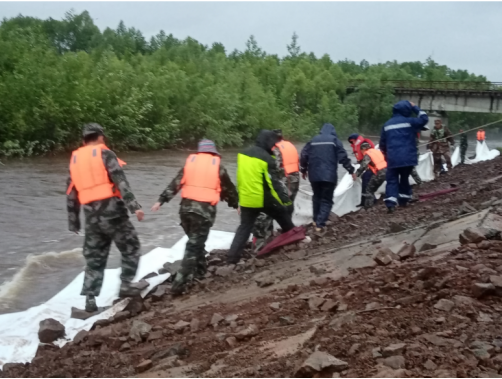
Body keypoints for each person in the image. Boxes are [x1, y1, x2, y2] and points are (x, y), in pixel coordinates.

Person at [67, 123, 145, 313]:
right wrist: (134, 206)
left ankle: (90, 301)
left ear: (83, 140)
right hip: (112, 212)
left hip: (91, 216)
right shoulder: (105, 153)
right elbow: (120, 181)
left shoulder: (75, 158)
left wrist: (73, 221)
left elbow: (71, 192)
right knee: (131, 246)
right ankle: (126, 284)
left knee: (94, 258)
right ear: (101, 137)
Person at [151, 140, 239, 295]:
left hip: (185, 211)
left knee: (195, 241)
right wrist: (237, 204)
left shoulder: (189, 165)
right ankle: (178, 285)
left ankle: (200, 270)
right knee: (193, 246)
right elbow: (228, 189)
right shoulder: (218, 167)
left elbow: (175, 184)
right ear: (213, 153)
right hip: (203, 213)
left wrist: (161, 201)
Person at [227, 130, 295, 264]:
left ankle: (232, 259)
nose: (273, 147)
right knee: (282, 214)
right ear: (268, 141)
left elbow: (240, 178)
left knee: (244, 227)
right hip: (262, 197)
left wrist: (240, 199)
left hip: (246, 198)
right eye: (273, 144)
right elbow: (273, 183)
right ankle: (296, 238)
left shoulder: (242, 154)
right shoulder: (267, 158)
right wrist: (285, 201)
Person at [301, 124, 356, 231]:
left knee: (316, 197)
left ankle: (315, 220)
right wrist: (351, 170)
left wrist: (303, 169)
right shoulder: (334, 141)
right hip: (329, 176)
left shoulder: (313, 140)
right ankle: (320, 225)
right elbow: (343, 157)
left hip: (314, 176)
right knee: (326, 200)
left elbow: (304, 154)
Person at [252, 129, 300, 252]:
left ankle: (275, 238)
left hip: (285, 179)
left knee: (274, 208)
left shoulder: (276, 148)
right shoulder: (289, 145)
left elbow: (274, 167)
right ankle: (287, 233)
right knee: (288, 207)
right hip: (294, 178)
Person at [380, 101, 429, 214]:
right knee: (404, 178)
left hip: (393, 158)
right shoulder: (410, 122)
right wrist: (415, 107)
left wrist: (387, 155)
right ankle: (403, 200)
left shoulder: (387, 124)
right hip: (408, 157)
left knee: (392, 180)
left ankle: (391, 204)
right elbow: (424, 118)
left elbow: (382, 143)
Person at [355, 142, 387, 209]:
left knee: (369, 189)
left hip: (380, 173)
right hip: (387, 170)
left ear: (363, 149)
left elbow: (363, 165)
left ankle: (369, 207)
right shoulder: (376, 151)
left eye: (361, 150)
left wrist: (356, 174)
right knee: (372, 188)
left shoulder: (367, 154)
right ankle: (372, 204)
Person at [348, 133, 376, 206]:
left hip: (373, 167)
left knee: (366, 179)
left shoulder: (364, 144)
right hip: (369, 166)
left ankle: (369, 201)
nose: (352, 143)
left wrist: (356, 174)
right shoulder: (359, 145)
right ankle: (365, 201)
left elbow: (368, 158)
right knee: (365, 179)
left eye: (352, 141)